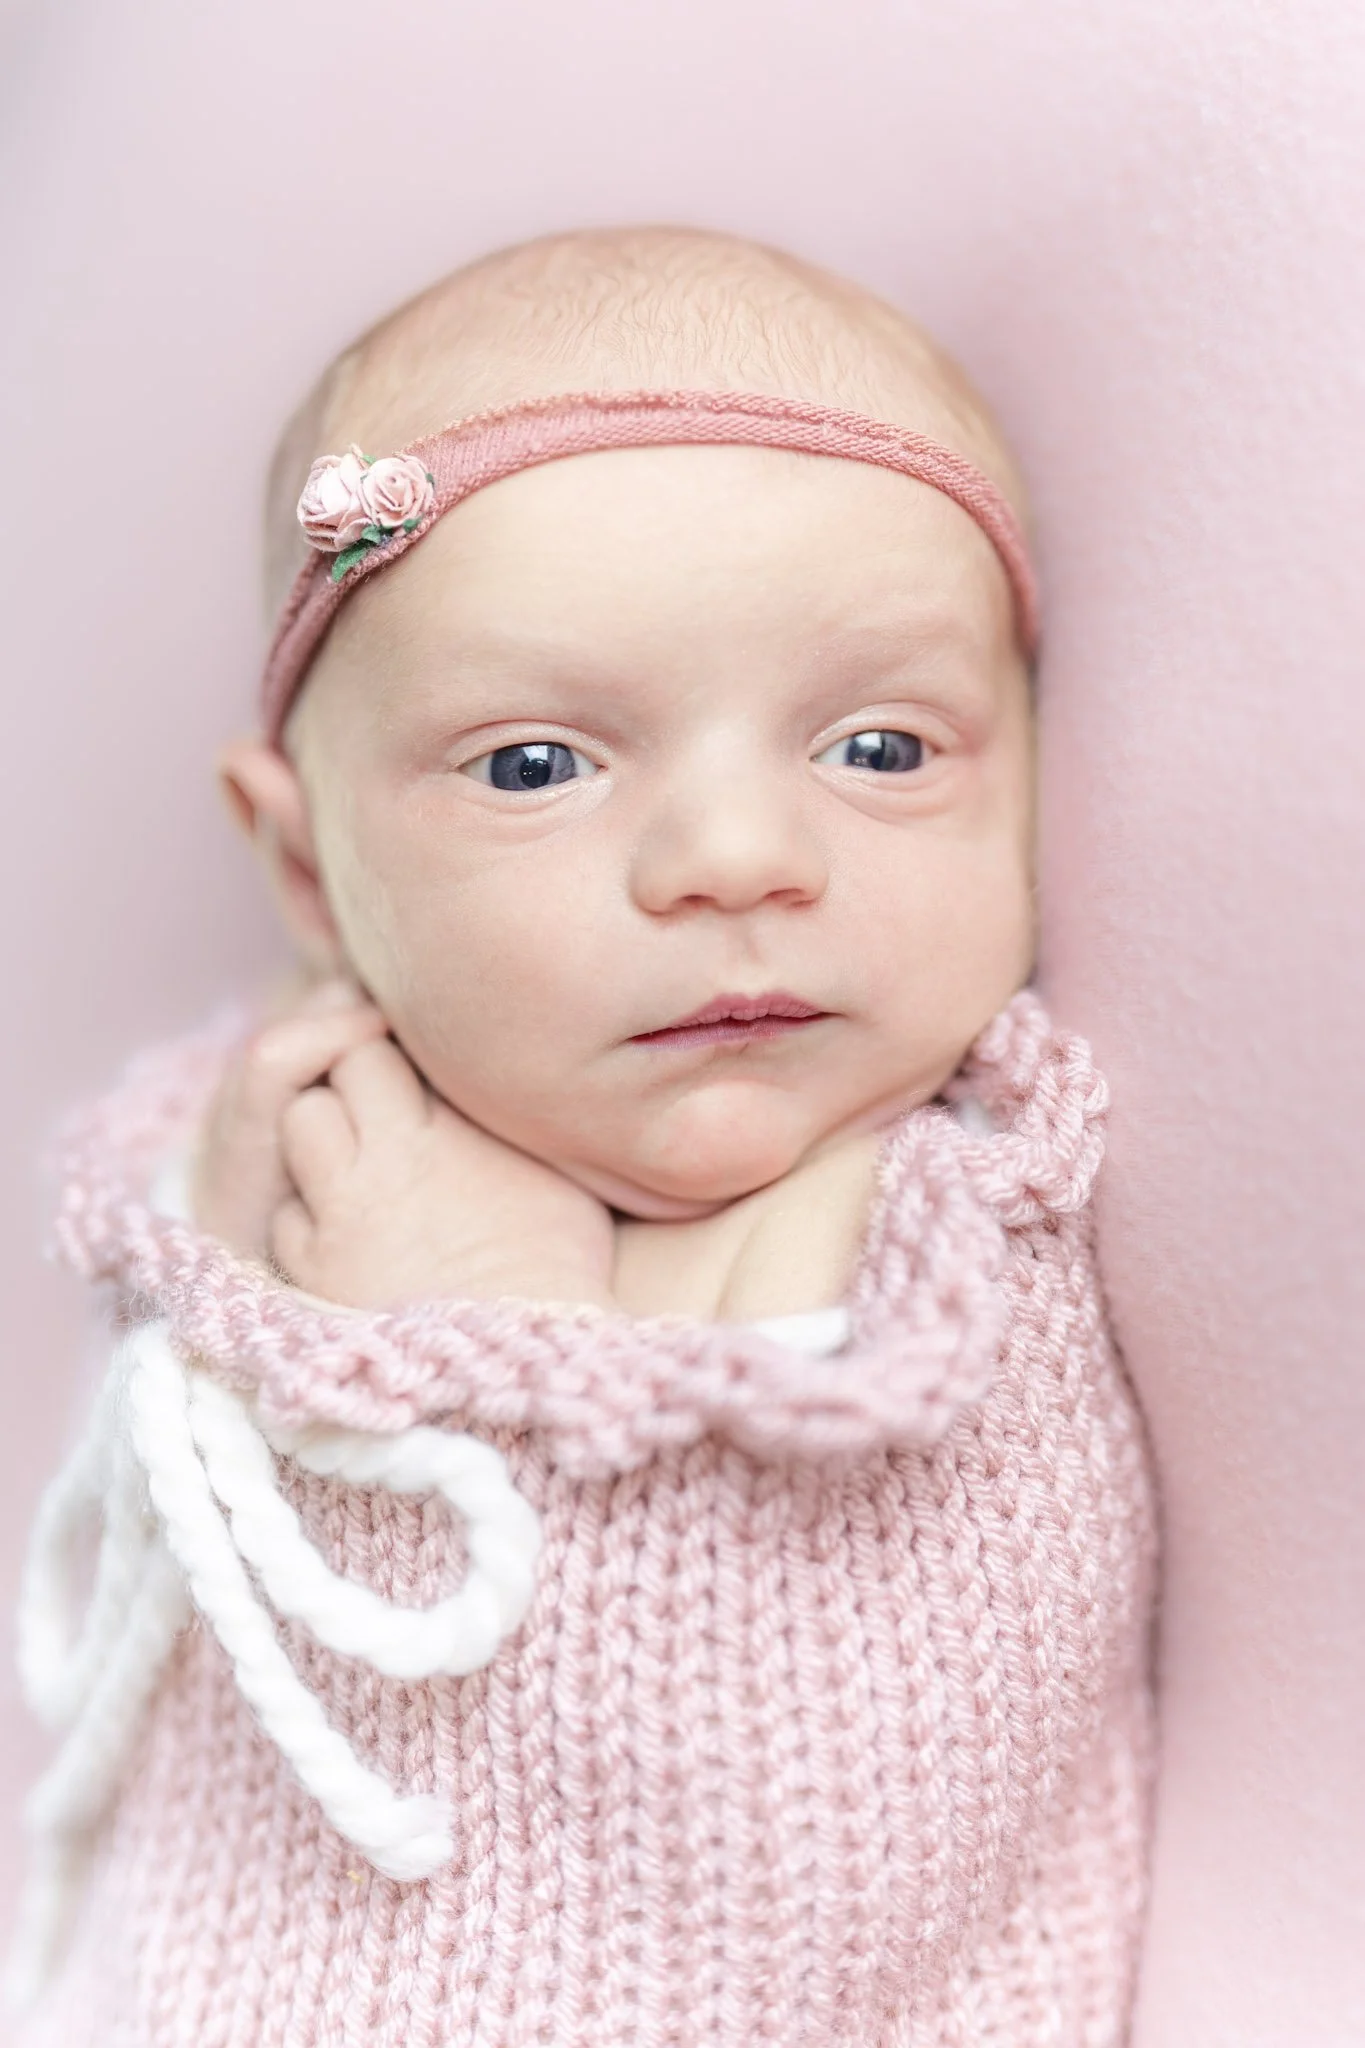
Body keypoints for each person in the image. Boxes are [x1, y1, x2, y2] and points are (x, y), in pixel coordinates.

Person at [11, 225, 1156, 2045]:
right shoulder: (283, 1137)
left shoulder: (920, 1241)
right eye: (538, 765)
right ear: (310, 863)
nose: (732, 858)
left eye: (879, 748)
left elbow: (866, 1779)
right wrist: (262, 1305)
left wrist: (482, 1350)